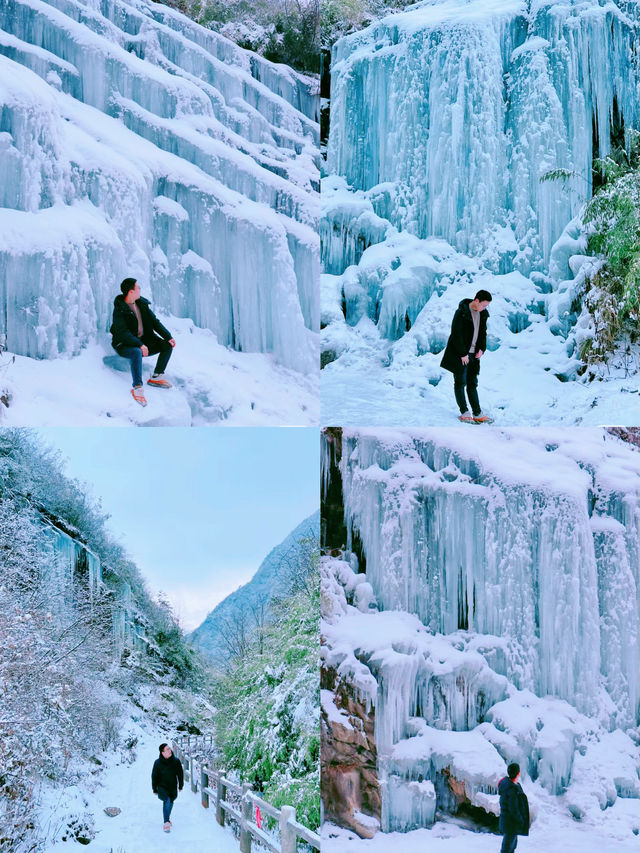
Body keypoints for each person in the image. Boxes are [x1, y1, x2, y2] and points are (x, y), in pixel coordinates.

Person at [110, 278, 176, 406]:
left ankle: (156, 377)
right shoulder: (119, 309)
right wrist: (139, 344)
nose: (140, 289)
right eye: (138, 287)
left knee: (167, 346)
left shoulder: (141, 304)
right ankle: (137, 388)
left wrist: (168, 336)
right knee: (136, 351)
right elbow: (123, 333)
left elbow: (155, 322)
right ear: (131, 292)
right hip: (124, 344)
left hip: (143, 342)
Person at [440, 289, 492, 423]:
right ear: (476, 301)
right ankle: (464, 412)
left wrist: (482, 349)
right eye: (483, 305)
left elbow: (483, 333)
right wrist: (463, 354)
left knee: (472, 383)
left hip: (474, 355)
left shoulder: (483, 314)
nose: (484, 308)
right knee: (460, 382)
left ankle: (477, 413)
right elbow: (456, 334)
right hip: (461, 354)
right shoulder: (461, 313)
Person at [151, 743, 184, 832]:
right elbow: (154, 776)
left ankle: (167, 819)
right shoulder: (157, 763)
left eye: (170, 749)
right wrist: (154, 788)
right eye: (167, 750)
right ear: (162, 752)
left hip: (173, 786)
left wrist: (181, 785)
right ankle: (166, 822)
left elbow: (180, 774)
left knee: (171, 801)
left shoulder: (176, 761)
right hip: (162, 787)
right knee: (167, 800)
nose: (170, 751)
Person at [498, 762, 530, 853]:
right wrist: (520, 820)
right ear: (518, 773)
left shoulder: (510, 786)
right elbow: (513, 809)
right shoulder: (511, 790)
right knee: (507, 849)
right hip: (511, 824)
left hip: (509, 823)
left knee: (511, 847)